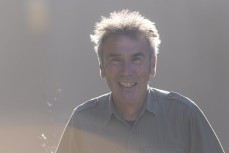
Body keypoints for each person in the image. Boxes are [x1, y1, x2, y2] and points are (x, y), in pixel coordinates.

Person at [56, 10, 224, 153]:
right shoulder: (82, 122)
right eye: (116, 60)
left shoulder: (184, 116)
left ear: (153, 65)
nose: (126, 71)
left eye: (136, 60)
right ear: (101, 66)